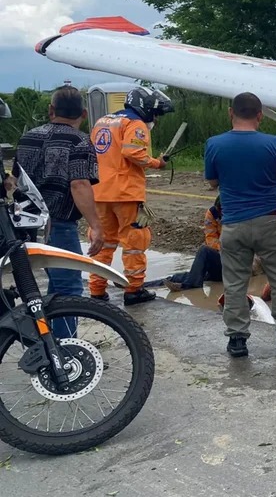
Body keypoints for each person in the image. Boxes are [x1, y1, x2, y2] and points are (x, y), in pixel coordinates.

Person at [205, 91, 276, 358]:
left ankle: (237, 340)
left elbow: (213, 182)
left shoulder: (214, 144)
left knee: (235, 284)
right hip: (270, 222)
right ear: (260, 115)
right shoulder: (273, 143)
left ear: (230, 113)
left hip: (233, 224)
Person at [12, 85, 104, 339]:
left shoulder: (29, 136)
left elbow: (15, 180)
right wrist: (95, 225)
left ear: (51, 110)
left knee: (43, 288)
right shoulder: (80, 141)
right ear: (83, 114)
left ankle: (45, 343)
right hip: (58, 224)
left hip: (23, 224)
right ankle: (64, 353)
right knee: (68, 289)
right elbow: (79, 184)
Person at [88, 86, 173, 305]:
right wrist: (157, 163)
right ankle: (134, 289)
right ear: (145, 108)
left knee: (103, 243)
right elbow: (133, 152)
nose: (154, 118)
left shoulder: (102, 122)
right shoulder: (135, 125)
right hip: (125, 192)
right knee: (134, 241)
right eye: (154, 113)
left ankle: (96, 290)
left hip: (99, 191)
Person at [163, 195, 224, 291]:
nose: (220, 215)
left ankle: (192, 285)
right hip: (222, 258)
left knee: (204, 250)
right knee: (187, 275)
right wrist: (220, 249)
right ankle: (142, 286)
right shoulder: (212, 213)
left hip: (234, 265)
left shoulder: (239, 216)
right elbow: (210, 237)